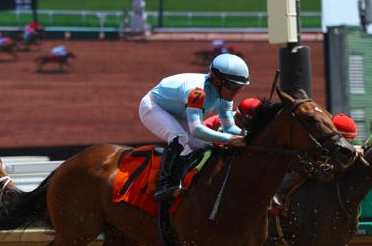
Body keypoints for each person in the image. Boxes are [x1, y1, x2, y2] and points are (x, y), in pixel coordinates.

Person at [139, 53, 250, 201]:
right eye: (233, 87)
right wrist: (229, 139)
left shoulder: (225, 98)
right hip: (153, 107)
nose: (236, 92)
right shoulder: (197, 92)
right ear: (217, 82)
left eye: (239, 88)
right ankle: (164, 185)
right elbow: (197, 130)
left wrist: (248, 134)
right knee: (180, 138)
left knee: (203, 145)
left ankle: (187, 179)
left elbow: (229, 128)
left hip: (179, 112)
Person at [274, 113, 358, 214]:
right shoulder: (319, 140)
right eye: (347, 139)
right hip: (298, 167)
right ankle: (276, 196)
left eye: (350, 139)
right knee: (293, 177)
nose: (348, 142)